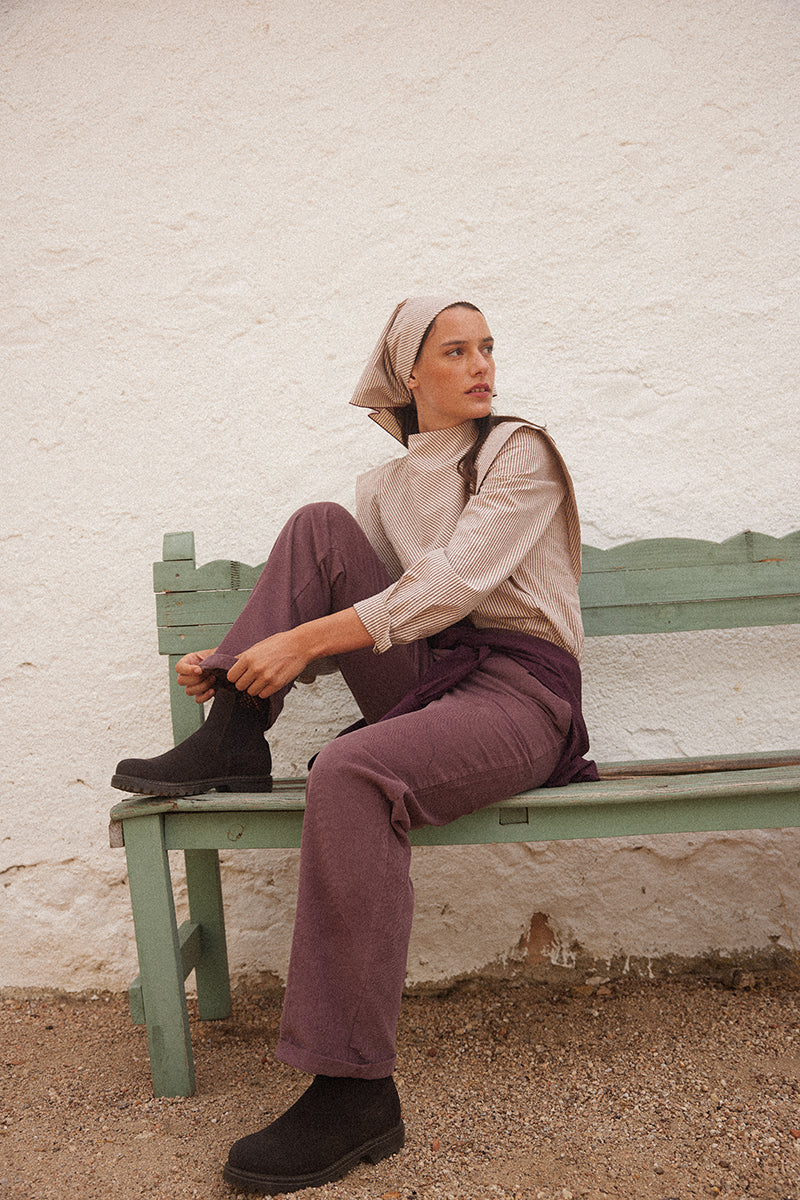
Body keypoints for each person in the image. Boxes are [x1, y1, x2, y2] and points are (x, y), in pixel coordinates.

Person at [112, 296, 598, 1195]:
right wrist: (233, 660)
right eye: (455, 351)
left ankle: (353, 1090)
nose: (482, 363)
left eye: (487, 347)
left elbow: (448, 588)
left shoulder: (518, 452)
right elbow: (340, 600)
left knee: (351, 769)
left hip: (519, 695)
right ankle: (234, 732)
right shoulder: (384, 489)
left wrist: (298, 644)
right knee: (315, 524)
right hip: (432, 681)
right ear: (409, 373)